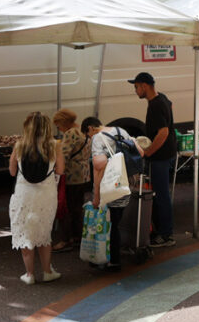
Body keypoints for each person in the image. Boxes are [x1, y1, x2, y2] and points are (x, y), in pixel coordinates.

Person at [9, 111, 64, 284]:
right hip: (46, 194)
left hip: (24, 194)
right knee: (44, 233)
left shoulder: (19, 145)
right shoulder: (55, 145)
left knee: (26, 232)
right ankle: (47, 272)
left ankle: (29, 274)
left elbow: (12, 171)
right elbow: (61, 170)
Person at [89, 117, 144, 272]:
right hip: (127, 181)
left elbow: (98, 166)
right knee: (116, 220)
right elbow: (140, 153)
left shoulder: (97, 138)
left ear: (90, 129)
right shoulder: (122, 131)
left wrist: (96, 195)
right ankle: (112, 257)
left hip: (111, 183)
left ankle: (112, 260)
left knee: (109, 223)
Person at [129, 71, 177, 248]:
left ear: (144, 86)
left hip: (161, 157)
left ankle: (166, 235)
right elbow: (170, 108)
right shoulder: (162, 99)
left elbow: (163, 132)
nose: (135, 91)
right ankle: (162, 230)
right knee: (160, 194)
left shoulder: (156, 105)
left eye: (136, 87)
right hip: (166, 154)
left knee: (162, 194)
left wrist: (148, 152)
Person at [51, 109, 93, 252]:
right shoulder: (81, 131)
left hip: (71, 176)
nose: (59, 129)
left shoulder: (70, 134)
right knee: (76, 209)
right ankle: (77, 237)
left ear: (64, 122)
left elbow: (64, 154)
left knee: (65, 208)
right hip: (83, 175)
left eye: (58, 125)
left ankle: (66, 240)